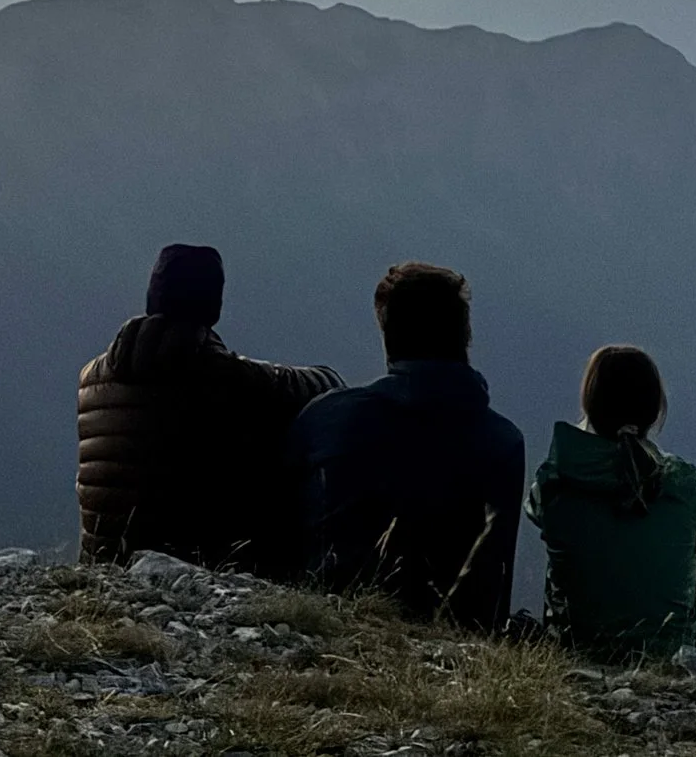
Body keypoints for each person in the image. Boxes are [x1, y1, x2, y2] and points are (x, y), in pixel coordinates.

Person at [77, 243, 340, 576]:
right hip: (202, 567)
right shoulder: (226, 376)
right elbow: (324, 383)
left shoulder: (92, 378)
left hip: (103, 567)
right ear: (213, 305)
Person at [288, 261, 526, 629]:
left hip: (325, 625)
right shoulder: (503, 444)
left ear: (388, 335)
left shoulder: (326, 417)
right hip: (449, 646)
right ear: (465, 336)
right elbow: (493, 577)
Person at [525, 344, 696, 659]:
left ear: (591, 405)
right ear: (653, 412)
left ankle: (560, 639)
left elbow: (533, 509)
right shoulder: (679, 483)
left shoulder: (556, 482)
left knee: (562, 545)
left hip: (578, 648)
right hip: (669, 656)